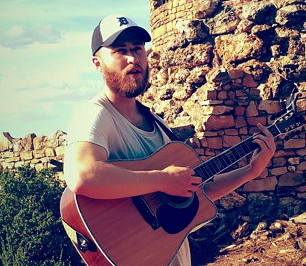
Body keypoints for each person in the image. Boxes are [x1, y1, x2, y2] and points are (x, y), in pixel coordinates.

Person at [63, 14, 276, 266]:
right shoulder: (97, 114)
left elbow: (196, 192)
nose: (133, 58)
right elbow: (82, 176)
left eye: (137, 49)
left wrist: (251, 171)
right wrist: (164, 180)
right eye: (121, 50)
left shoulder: (155, 123)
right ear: (97, 63)